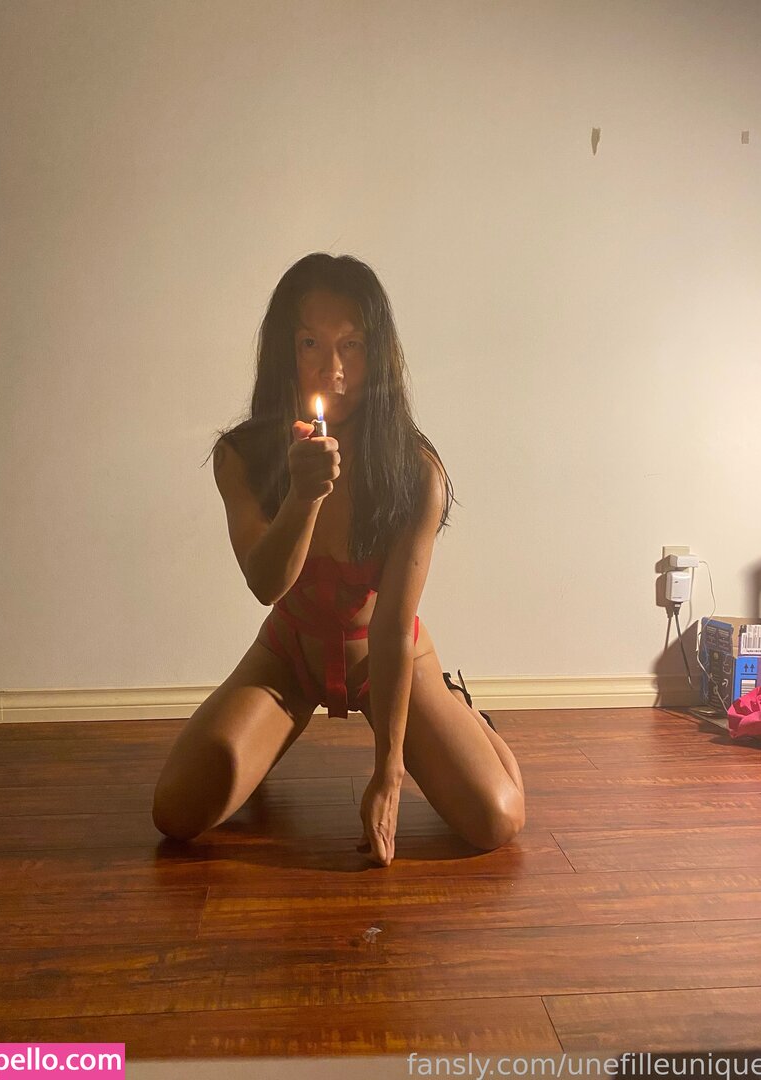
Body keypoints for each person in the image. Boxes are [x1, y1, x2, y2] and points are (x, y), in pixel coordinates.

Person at [151, 253, 525, 866]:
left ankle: (469, 716)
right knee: (176, 811)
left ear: (378, 354)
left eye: (352, 345)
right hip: (289, 656)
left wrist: (388, 774)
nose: (333, 369)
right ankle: (268, 740)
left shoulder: (414, 473)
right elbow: (266, 584)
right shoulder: (242, 457)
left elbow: (391, 628)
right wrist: (303, 497)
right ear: (284, 351)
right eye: (311, 344)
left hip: (385, 658)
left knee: (497, 819)